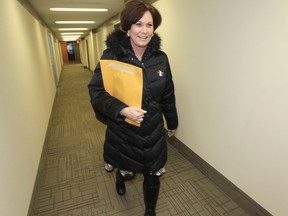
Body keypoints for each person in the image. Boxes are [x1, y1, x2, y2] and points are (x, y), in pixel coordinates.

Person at [88, 0, 178, 215]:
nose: (144, 31)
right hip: (125, 130)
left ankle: (150, 211)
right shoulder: (111, 56)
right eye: (138, 24)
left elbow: (168, 94)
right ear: (128, 27)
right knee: (127, 166)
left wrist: (172, 122)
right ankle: (121, 176)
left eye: (149, 25)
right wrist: (122, 110)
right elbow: (96, 92)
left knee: (152, 173)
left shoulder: (161, 58)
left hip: (153, 129)